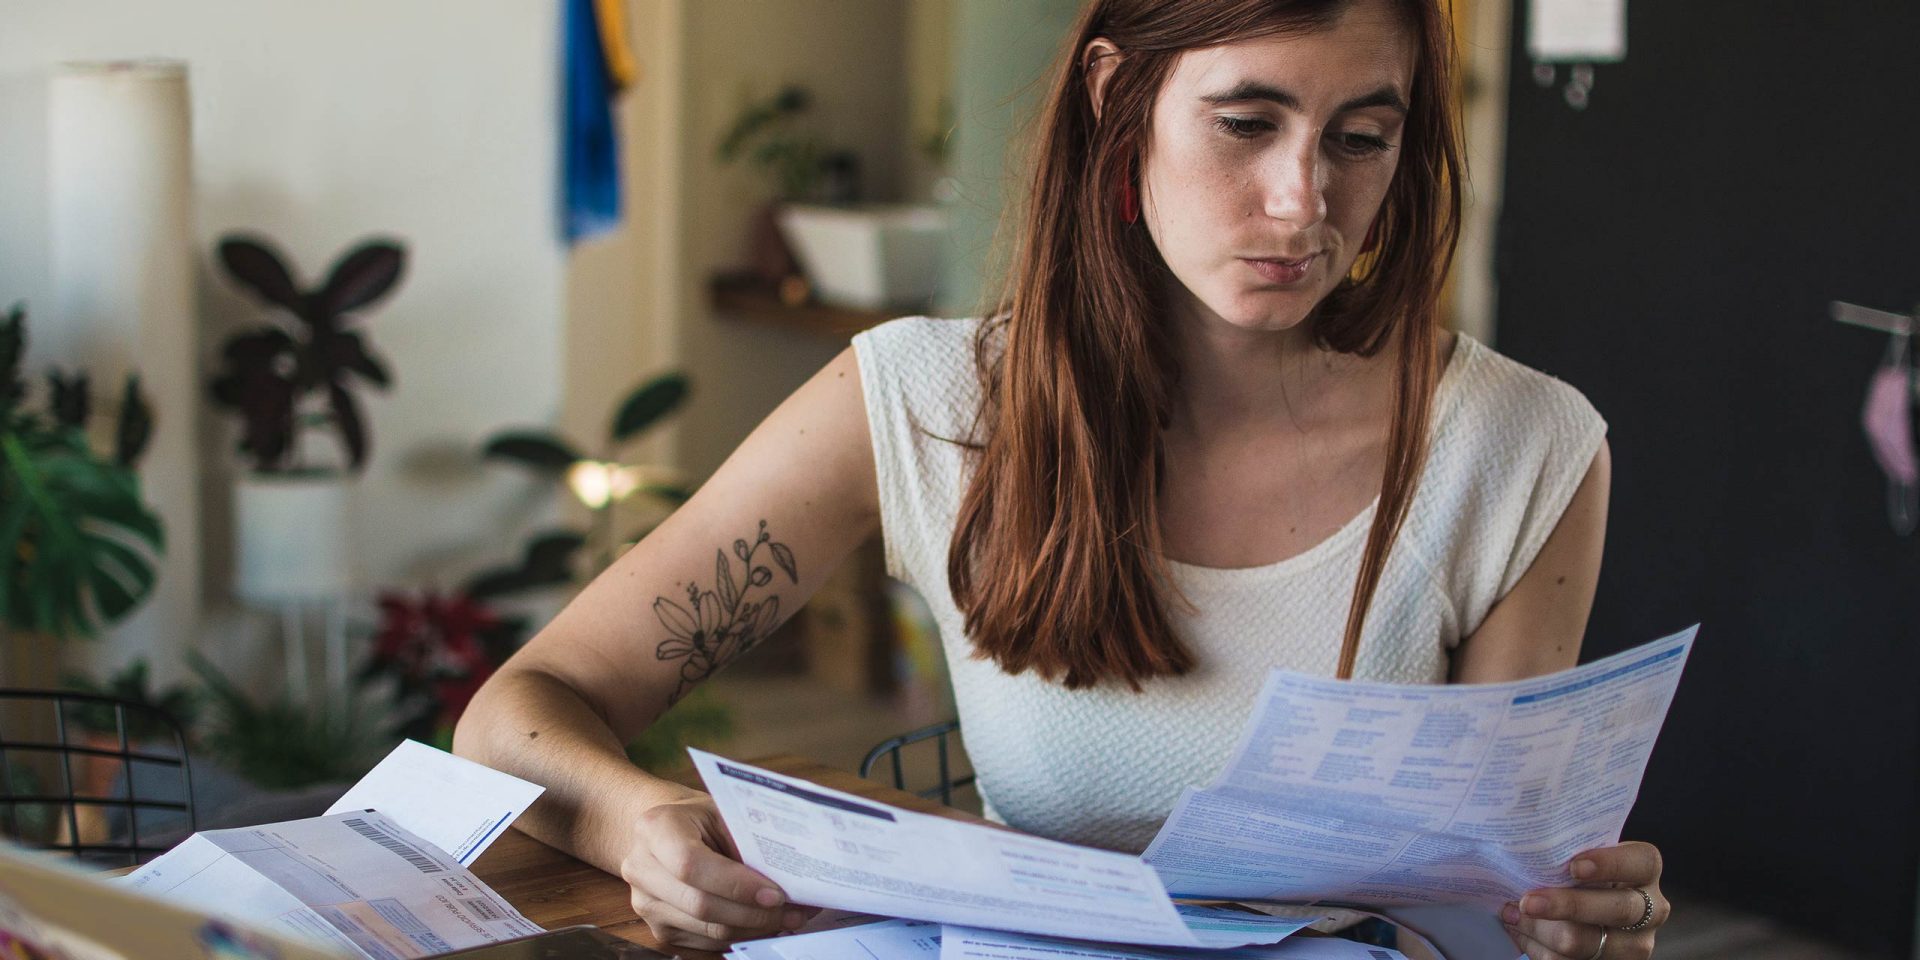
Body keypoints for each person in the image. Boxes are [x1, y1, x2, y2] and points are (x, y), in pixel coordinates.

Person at [454, 1, 1672, 957]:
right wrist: (639, 825)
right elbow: (519, 711)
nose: (1306, 202)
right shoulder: (925, 403)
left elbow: (1492, 911)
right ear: (1115, 98)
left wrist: (1567, 930)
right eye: (1247, 123)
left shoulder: (1521, 449)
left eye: (1363, 137)